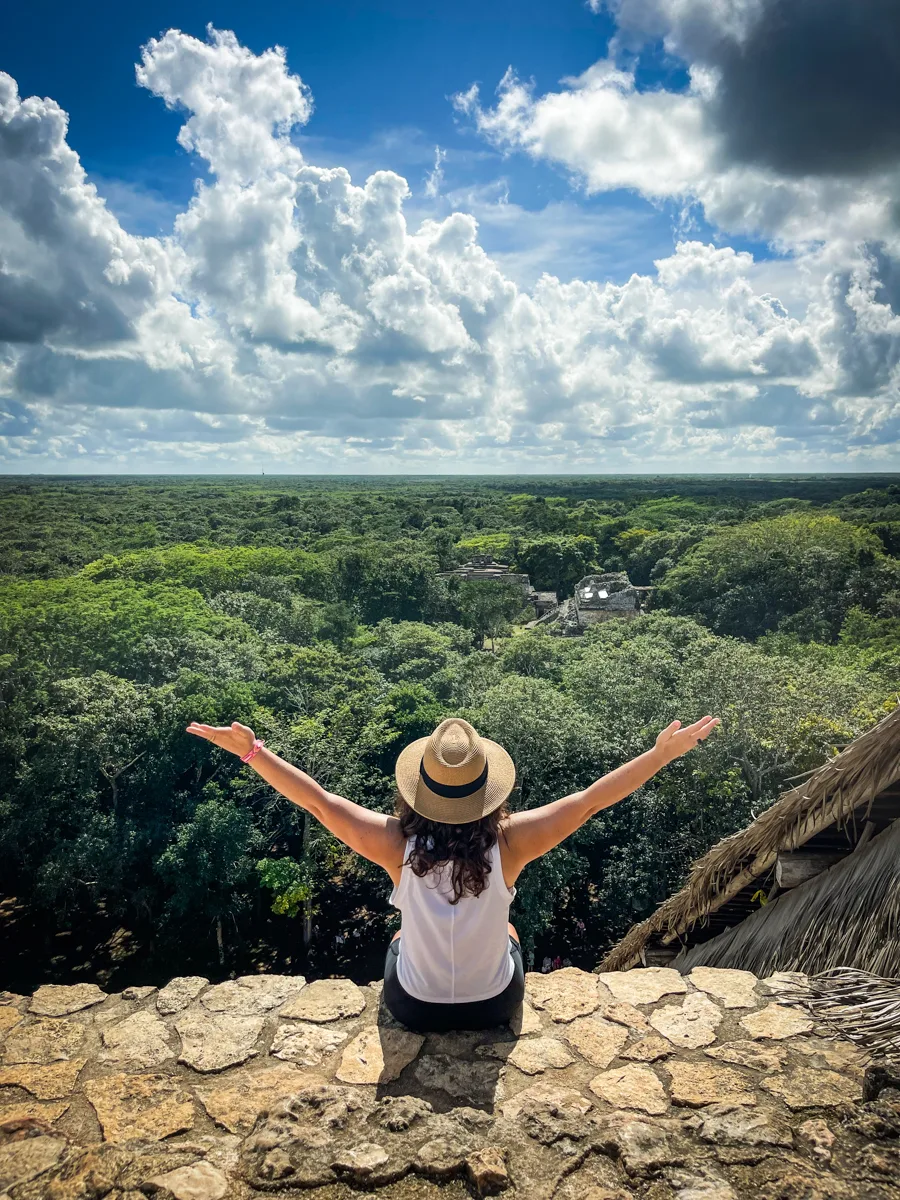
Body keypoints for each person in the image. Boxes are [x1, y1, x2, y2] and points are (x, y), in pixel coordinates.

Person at [186, 712, 719, 1032]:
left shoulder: (395, 843)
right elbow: (586, 804)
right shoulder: (510, 843)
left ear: (418, 787)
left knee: (398, 937)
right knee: (508, 931)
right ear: (488, 792)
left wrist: (254, 751)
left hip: (414, 1008)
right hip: (494, 1006)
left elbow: (321, 804)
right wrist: (659, 755)